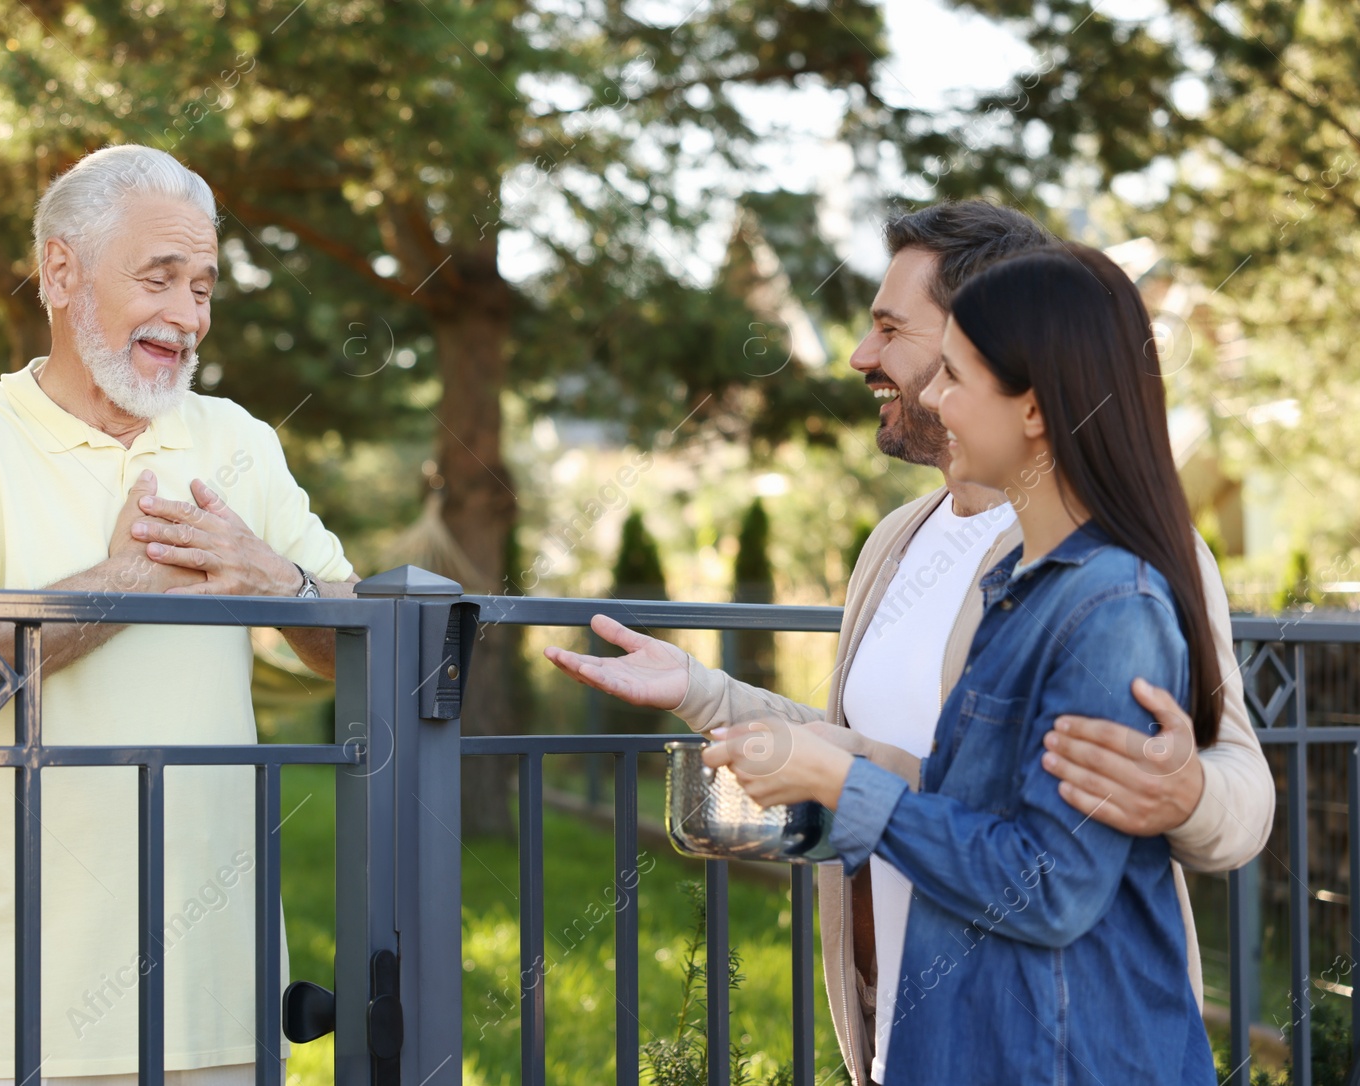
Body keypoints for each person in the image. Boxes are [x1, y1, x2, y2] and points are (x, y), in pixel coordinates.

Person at [543, 201, 1273, 1086]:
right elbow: (899, 751)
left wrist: (1184, 789)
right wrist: (704, 692)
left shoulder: (1116, 573)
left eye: (893, 330)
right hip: (921, 1030)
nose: (865, 359)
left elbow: (1158, 823)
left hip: (1049, 1037)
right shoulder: (901, 540)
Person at [0, 145, 358, 1084]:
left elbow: (358, 651)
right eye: (159, 279)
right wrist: (126, 582)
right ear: (62, 271)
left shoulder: (238, 441)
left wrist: (277, 581)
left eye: (205, 287)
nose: (188, 316)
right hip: (19, 1018)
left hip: (226, 1007)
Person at [704, 243, 1220, 1083]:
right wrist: (792, 769)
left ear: (1034, 411)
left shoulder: (1110, 608)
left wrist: (839, 783)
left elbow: (1048, 885)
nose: (933, 401)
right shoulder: (1019, 590)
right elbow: (964, 811)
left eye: (956, 378)